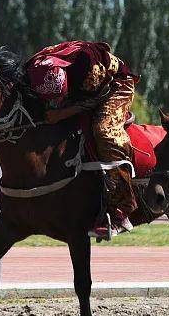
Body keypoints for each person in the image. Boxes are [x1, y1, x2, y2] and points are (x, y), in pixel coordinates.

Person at [26, 40, 138, 238]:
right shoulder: (34, 69)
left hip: (113, 86)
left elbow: (94, 99)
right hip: (81, 86)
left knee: (103, 131)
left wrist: (62, 113)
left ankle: (123, 208)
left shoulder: (89, 70)